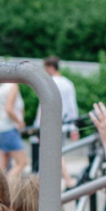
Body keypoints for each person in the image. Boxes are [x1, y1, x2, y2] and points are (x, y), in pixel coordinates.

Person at [34, 56, 80, 187]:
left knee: (53, 153)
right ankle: (55, 181)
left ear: (50, 67)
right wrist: (74, 127)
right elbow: (72, 106)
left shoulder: (49, 82)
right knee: (57, 152)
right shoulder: (68, 83)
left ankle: (67, 179)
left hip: (50, 124)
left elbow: (42, 107)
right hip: (64, 123)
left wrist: (38, 127)